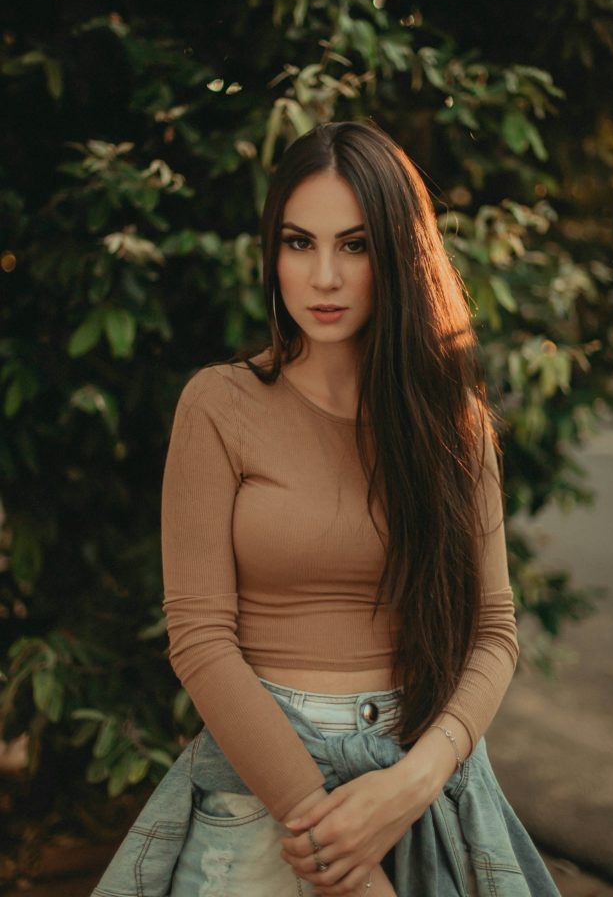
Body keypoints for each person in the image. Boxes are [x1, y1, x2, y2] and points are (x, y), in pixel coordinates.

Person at [91, 119, 560, 897]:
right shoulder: (219, 404)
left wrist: (409, 785)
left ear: (399, 255)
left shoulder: (453, 421)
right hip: (263, 783)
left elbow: (493, 627)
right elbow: (200, 638)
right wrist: (329, 838)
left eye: (354, 244)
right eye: (297, 243)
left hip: (419, 774)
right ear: (271, 252)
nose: (324, 278)